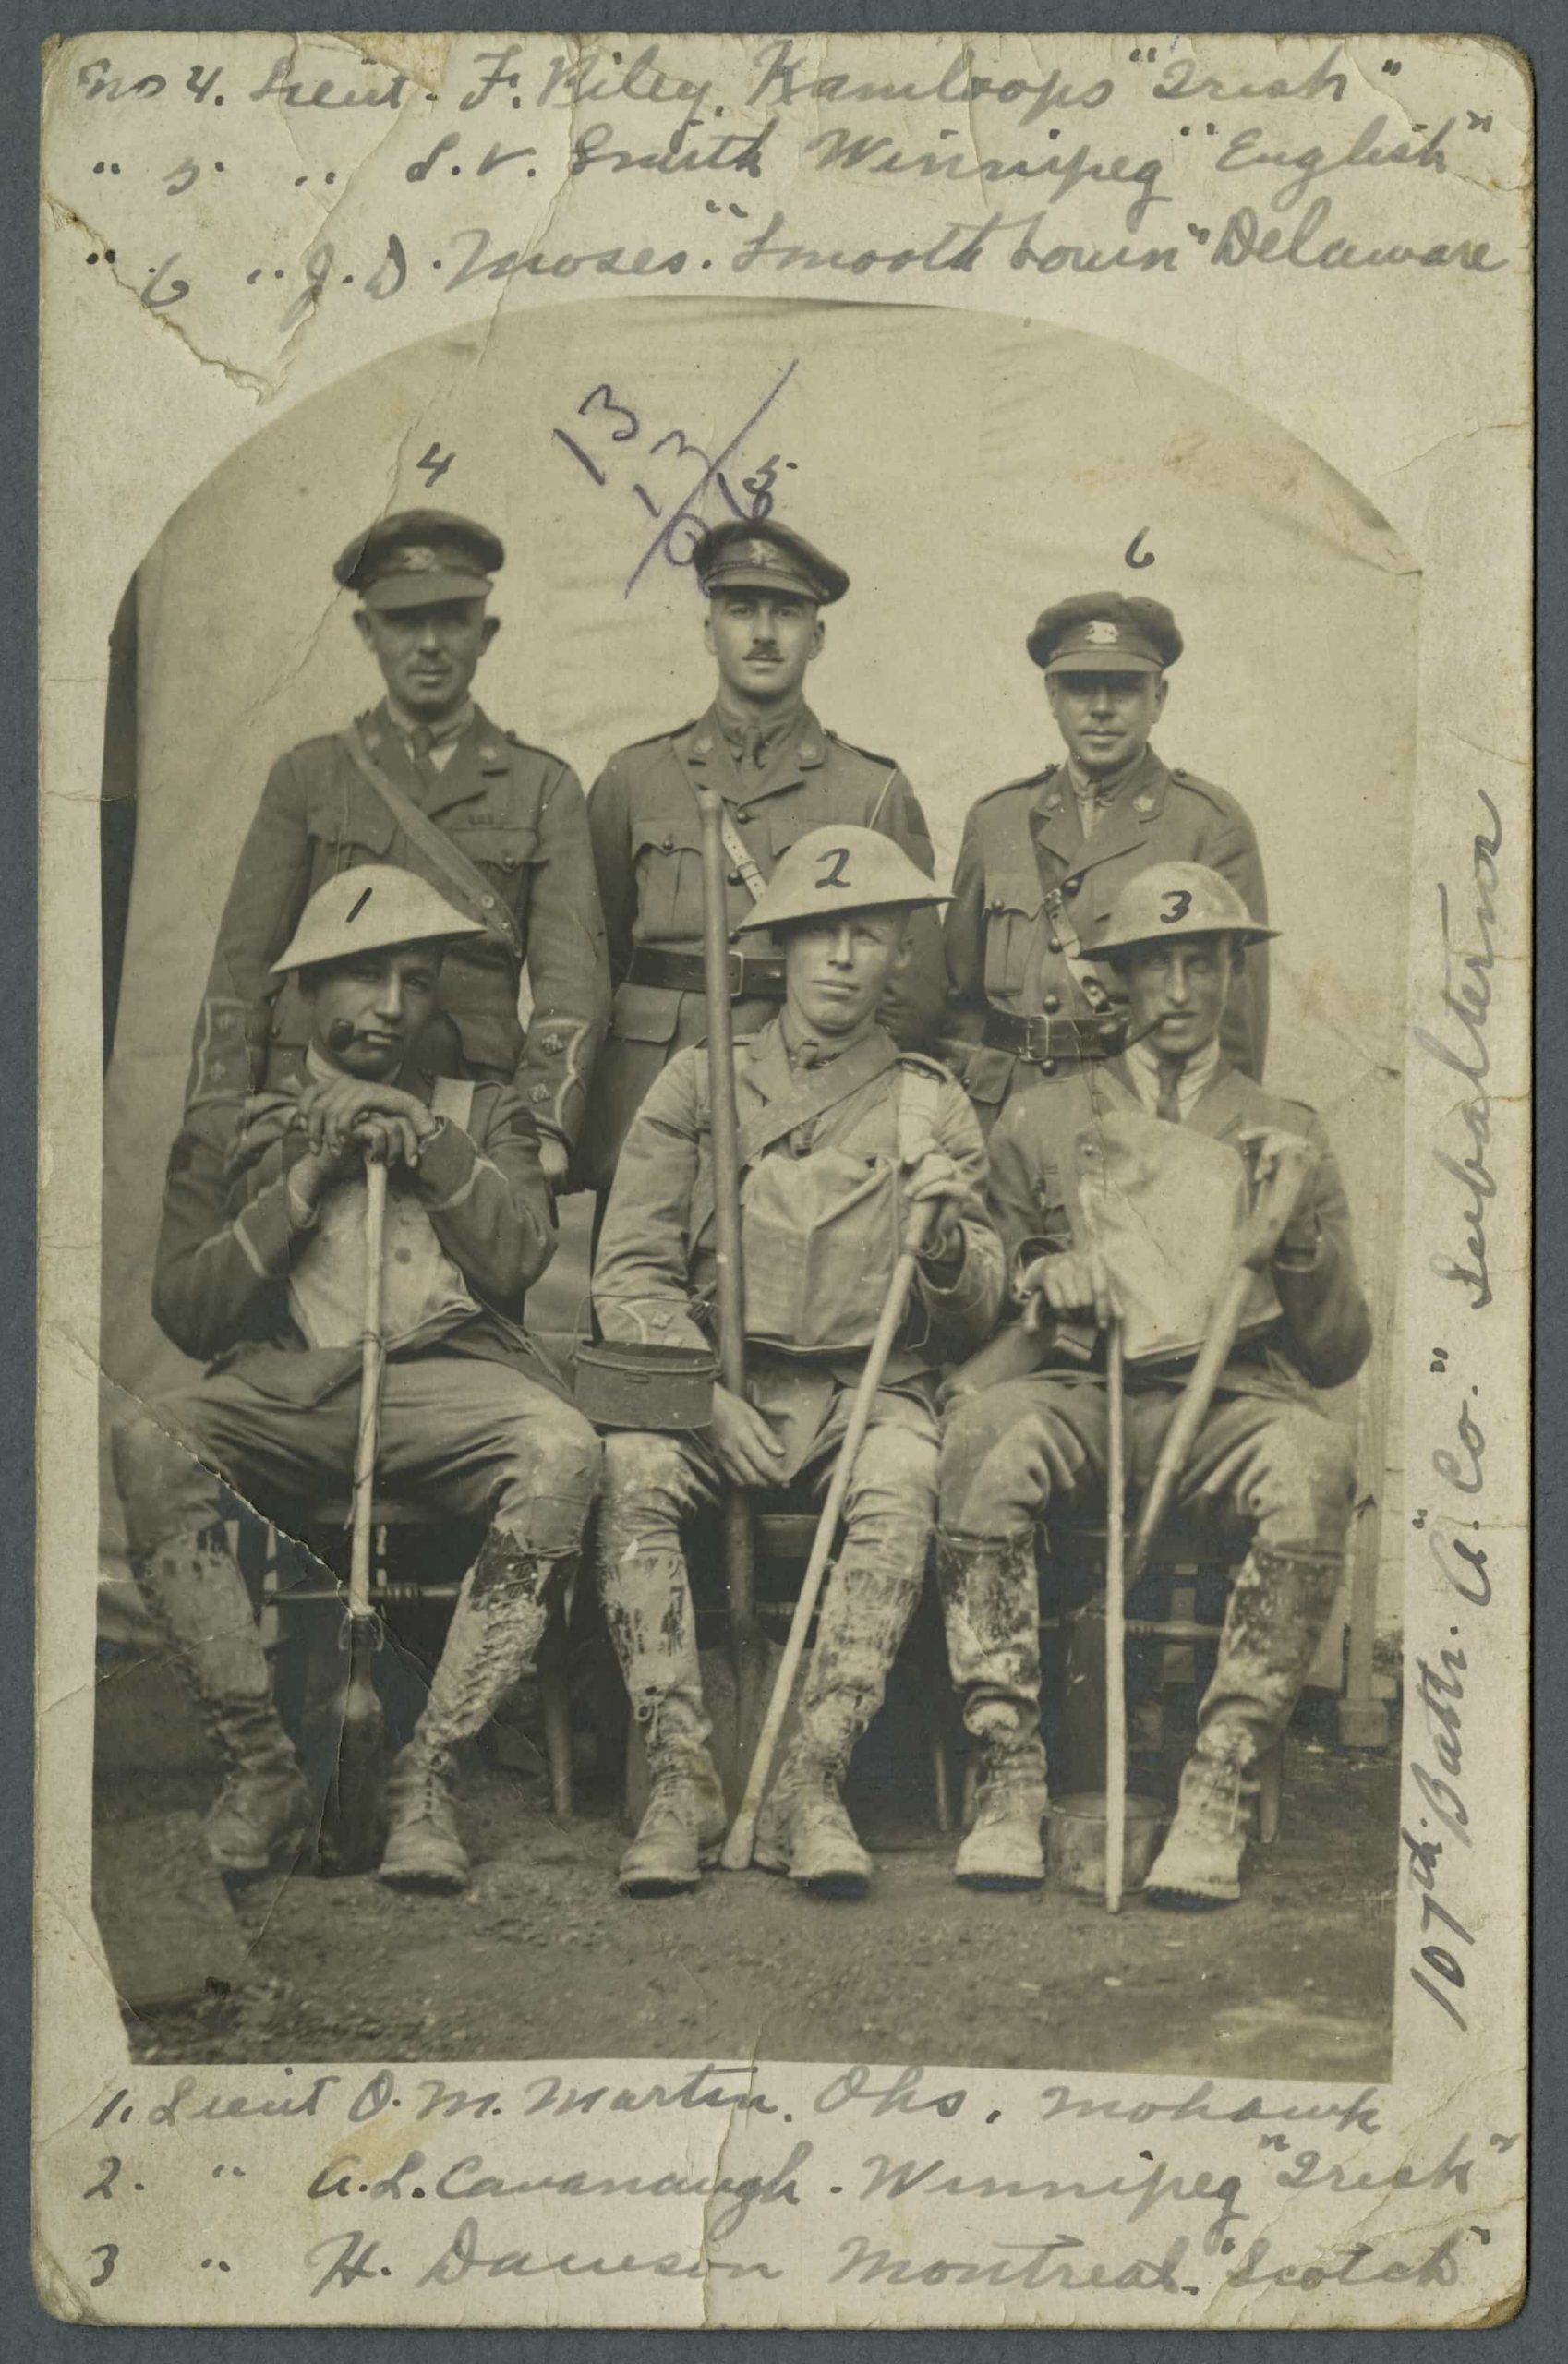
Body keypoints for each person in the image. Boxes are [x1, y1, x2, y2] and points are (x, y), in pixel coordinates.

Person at [113, 867, 602, 1893]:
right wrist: (305, 1176)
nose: (391, 1005)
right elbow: (188, 1313)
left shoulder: (484, 1107)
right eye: (363, 975)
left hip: (446, 1381)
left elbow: (516, 1261)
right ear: (302, 987)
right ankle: (264, 1774)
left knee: (563, 1449)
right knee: (153, 1440)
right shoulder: (234, 1123)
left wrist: (426, 1144)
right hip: (290, 1390)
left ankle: (428, 1774)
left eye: (416, 981)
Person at [935, 863, 1369, 1903]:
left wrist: (1298, 1228)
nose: (1178, 988)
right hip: (1084, 1386)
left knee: (1313, 1461)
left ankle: (1219, 1775)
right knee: (982, 1440)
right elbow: (982, 1296)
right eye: (1153, 965)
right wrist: (1043, 1273)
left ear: (1232, 973)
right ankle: (1009, 1769)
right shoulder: (1042, 1116)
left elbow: (1338, 1352)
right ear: (1117, 980)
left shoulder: (1286, 1128)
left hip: (1229, 1400)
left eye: (1201, 962)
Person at [591, 826, 1004, 1900]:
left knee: (909, 1476)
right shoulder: (698, 1082)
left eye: (867, 935)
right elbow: (628, 1269)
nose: (840, 956)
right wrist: (697, 1395)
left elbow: (984, 1305)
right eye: (818, 933)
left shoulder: (929, 1100)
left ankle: (813, 1778)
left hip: (864, 1396)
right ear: (777, 946)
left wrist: (951, 1241)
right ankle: (680, 1780)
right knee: (632, 1472)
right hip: (717, 1390)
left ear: (899, 958)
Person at [184, 509, 609, 1188]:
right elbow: (242, 968)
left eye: (453, 620)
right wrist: (218, 1115)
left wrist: (543, 1127)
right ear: (366, 631)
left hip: (466, 1106)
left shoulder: (543, 787)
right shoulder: (309, 777)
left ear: (486, 633)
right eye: (406, 622)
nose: (431, 644)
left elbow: (571, 987)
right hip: (309, 1104)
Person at [577, 517, 947, 1189]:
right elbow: (594, 957)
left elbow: (910, 989)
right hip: (651, 1093)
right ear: (707, 628)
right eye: (741, 610)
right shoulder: (635, 778)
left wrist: (841, 1104)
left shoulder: (870, 790)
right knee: (637, 1279)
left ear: (819, 636)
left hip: (807, 1105)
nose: (765, 633)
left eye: (788, 613)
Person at [942, 593, 1270, 1133]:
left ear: (1158, 698)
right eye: (1078, 687)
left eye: (1123, 688)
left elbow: (1233, 1029)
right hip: (1002, 1124)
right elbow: (959, 1004)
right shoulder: (997, 818)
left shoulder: (1208, 825)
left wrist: (1198, 1158)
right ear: (1051, 695)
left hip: (1134, 1125)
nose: (1100, 708)